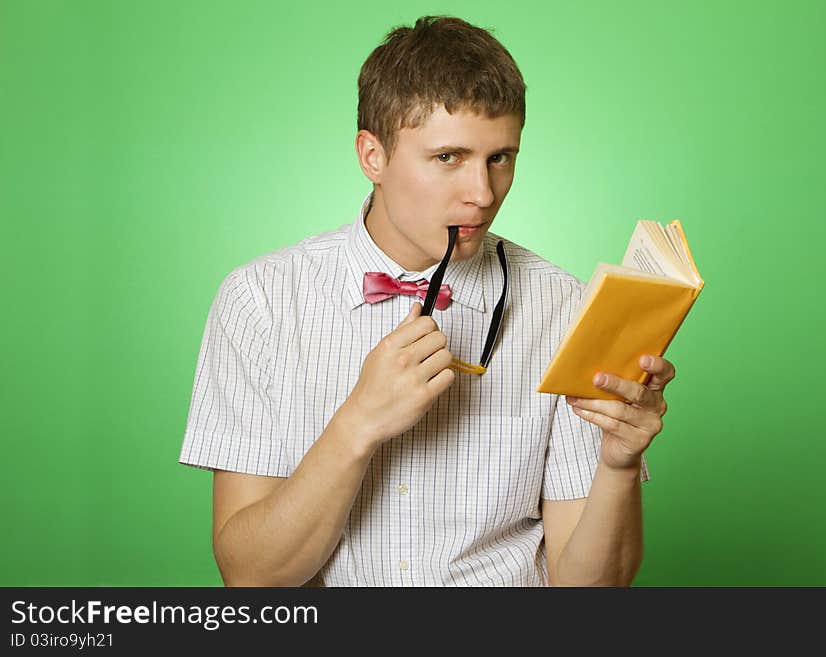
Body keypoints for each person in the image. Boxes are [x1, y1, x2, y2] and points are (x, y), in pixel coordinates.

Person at [179, 15, 676, 587]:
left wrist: (618, 463)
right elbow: (250, 579)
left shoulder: (564, 307)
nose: (482, 194)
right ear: (373, 157)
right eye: (448, 158)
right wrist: (358, 423)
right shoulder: (259, 301)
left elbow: (589, 593)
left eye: (500, 158)